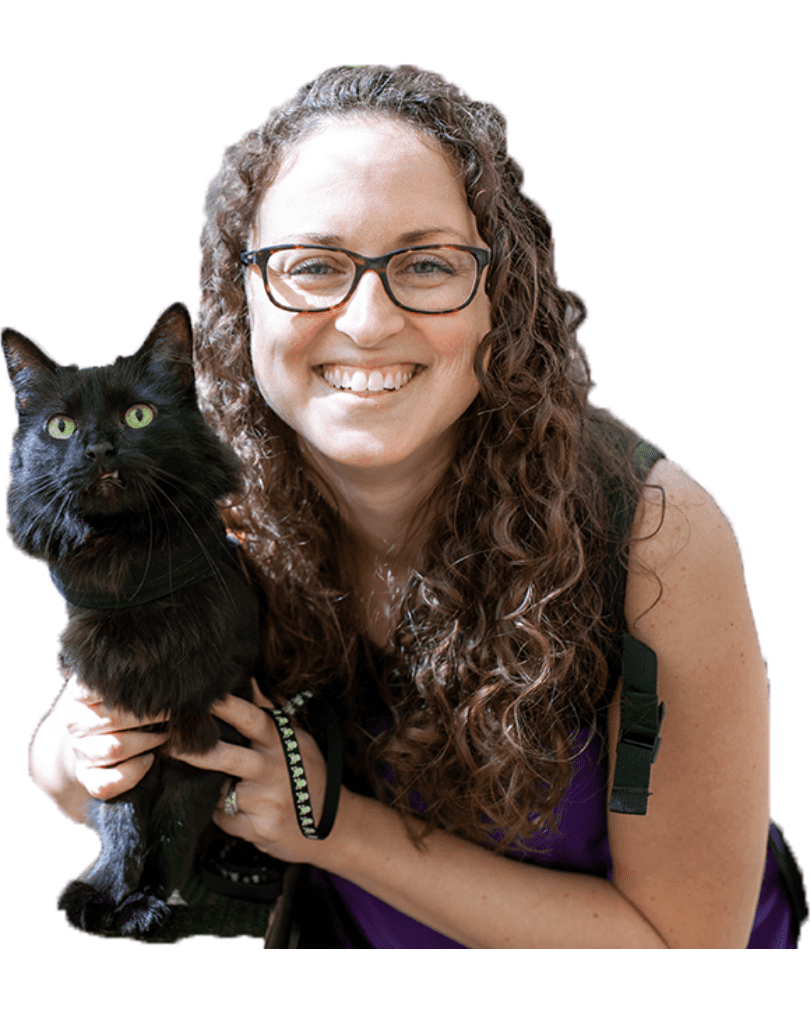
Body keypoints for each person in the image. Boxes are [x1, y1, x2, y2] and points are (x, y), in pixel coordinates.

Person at [29, 65, 803, 948]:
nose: (366, 320)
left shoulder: (656, 538)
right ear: (241, 303)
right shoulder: (206, 500)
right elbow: (66, 770)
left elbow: (689, 952)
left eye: (426, 264)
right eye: (313, 265)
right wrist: (85, 743)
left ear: (496, 300)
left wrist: (334, 825)